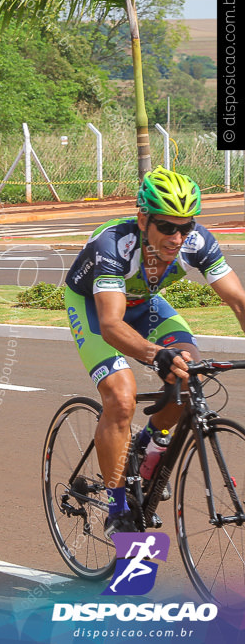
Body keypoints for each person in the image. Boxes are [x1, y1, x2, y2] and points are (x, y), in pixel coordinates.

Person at [63, 167, 245, 535]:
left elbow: (238, 301)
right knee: (122, 396)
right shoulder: (113, 245)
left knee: (189, 371)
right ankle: (117, 506)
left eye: (186, 226)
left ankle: (145, 445)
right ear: (143, 218)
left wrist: (169, 359)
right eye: (166, 226)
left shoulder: (197, 242)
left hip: (145, 304)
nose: (177, 237)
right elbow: (112, 324)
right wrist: (154, 355)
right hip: (96, 310)